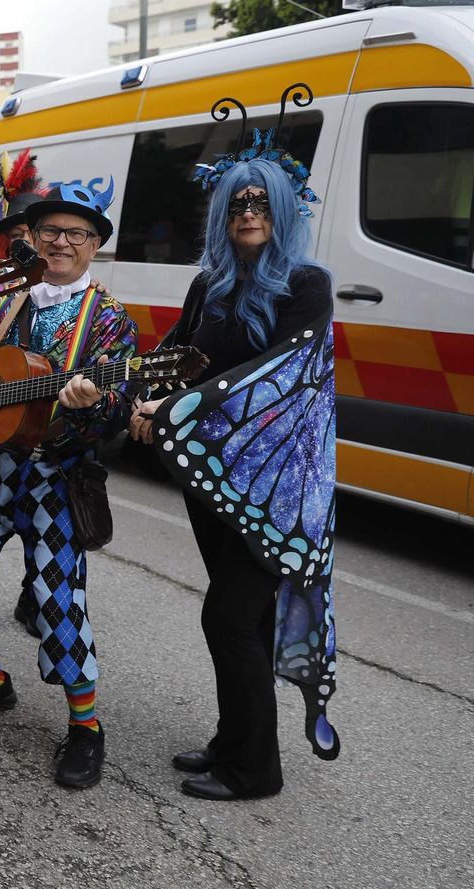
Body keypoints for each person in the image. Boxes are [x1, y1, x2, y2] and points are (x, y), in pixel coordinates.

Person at [129, 144, 339, 801]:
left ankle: (256, 770)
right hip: (214, 481)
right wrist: (133, 387)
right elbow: (177, 354)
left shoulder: (307, 285)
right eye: (237, 203)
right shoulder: (210, 286)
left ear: (283, 211)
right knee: (244, 621)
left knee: (228, 619)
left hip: (278, 489)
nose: (249, 213)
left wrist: (176, 406)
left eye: (261, 202)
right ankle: (232, 742)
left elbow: (272, 379)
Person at [0, 183, 138, 790]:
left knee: (56, 600)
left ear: (95, 245)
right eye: (50, 232)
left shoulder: (108, 318)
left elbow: (122, 403)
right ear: (32, 239)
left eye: (76, 234)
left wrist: (95, 402)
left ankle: (86, 727)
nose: (61, 242)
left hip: (53, 475)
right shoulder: (2, 298)